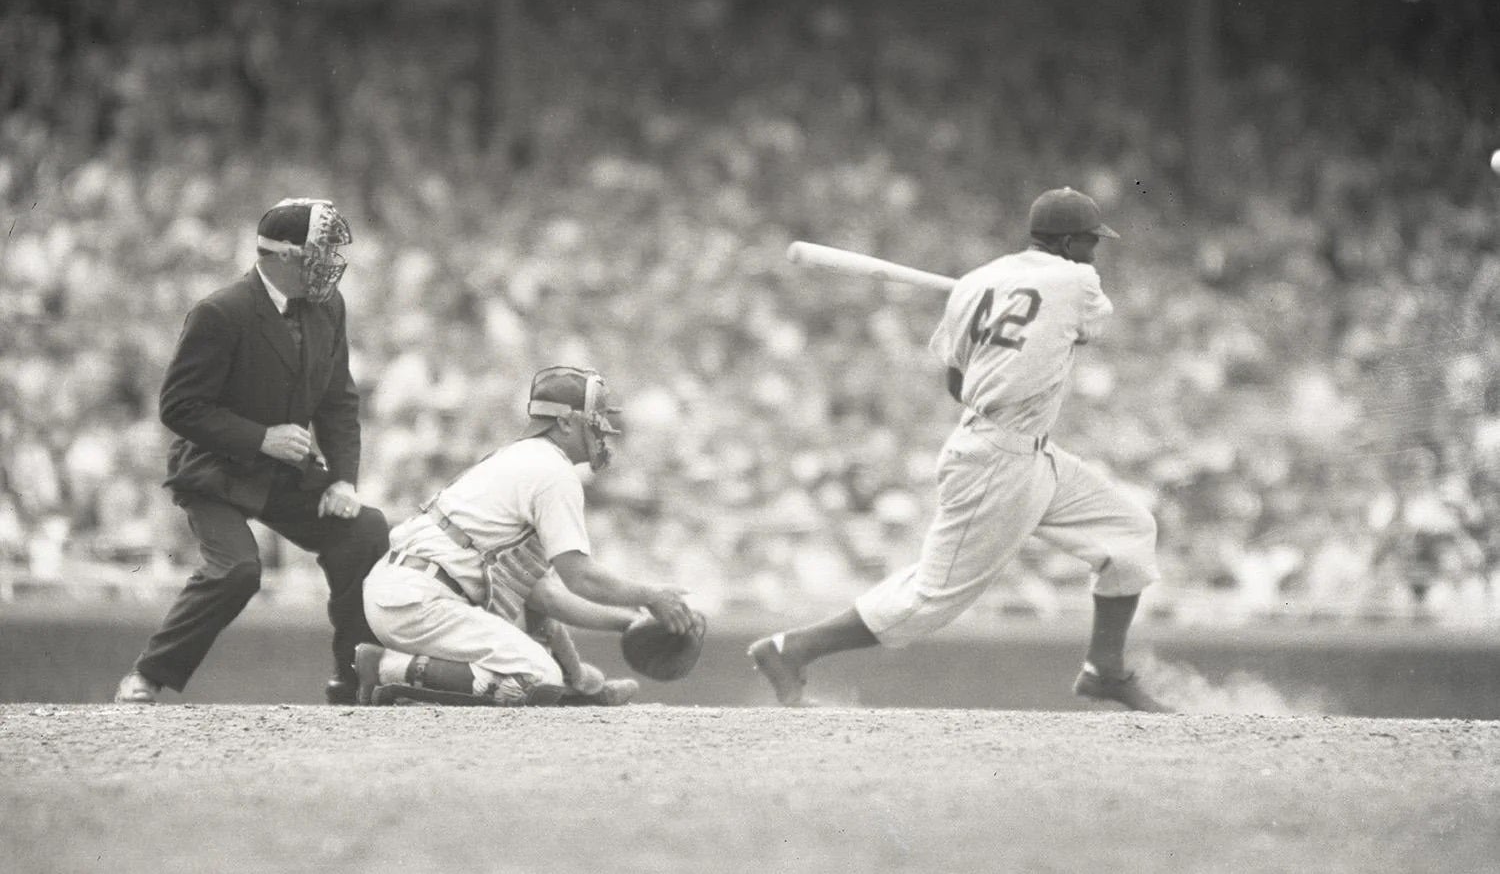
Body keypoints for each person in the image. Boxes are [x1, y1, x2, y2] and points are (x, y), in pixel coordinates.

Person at [750, 187, 1172, 712]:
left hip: (1026, 449)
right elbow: (1089, 328)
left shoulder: (975, 283)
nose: (1095, 252)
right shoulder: (1078, 279)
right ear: (1067, 242)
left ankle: (1104, 670)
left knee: (1128, 535)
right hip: (997, 458)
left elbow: (957, 383)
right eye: (1090, 242)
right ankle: (790, 650)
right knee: (931, 600)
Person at [114, 198, 390, 706]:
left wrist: (343, 480)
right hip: (216, 471)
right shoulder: (220, 312)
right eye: (320, 251)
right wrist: (259, 437)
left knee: (366, 531)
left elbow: (338, 401)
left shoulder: (330, 306)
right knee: (238, 571)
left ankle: (352, 677)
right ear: (283, 256)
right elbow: (179, 407)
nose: (331, 262)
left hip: (285, 474)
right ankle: (148, 675)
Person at [357, 366, 700, 707]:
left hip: (407, 592)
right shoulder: (553, 472)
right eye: (593, 418)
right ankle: (389, 668)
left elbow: (544, 596)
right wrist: (651, 596)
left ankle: (575, 689)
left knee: (535, 650)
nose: (603, 429)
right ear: (565, 422)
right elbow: (579, 577)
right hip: (421, 600)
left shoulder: (522, 460)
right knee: (535, 676)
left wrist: (629, 622)